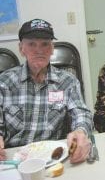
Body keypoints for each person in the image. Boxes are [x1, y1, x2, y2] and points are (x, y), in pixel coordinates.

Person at [0, 19, 93, 163]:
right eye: (32, 44)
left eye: (45, 44)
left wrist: (80, 131)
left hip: (54, 157)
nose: (39, 50)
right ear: (21, 48)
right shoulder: (4, 82)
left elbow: (81, 113)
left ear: (52, 48)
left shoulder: (67, 81)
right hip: (13, 158)